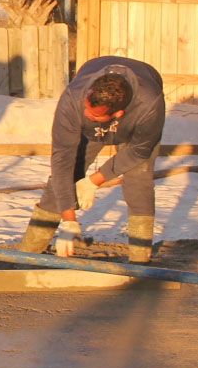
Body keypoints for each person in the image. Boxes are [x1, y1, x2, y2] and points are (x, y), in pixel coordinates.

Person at [21, 56, 167, 263]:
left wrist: (94, 181)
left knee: (138, 181)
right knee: (65, 177)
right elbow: (63, 161)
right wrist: (69, 220)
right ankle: (28, 251)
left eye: (93, 115)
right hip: (92, 131)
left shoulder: (150, 104)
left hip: (134, 130)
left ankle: (140, 259)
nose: (85, 114)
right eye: (86, 108)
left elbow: (138, 152)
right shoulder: (74, 99)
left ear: (118, 113)